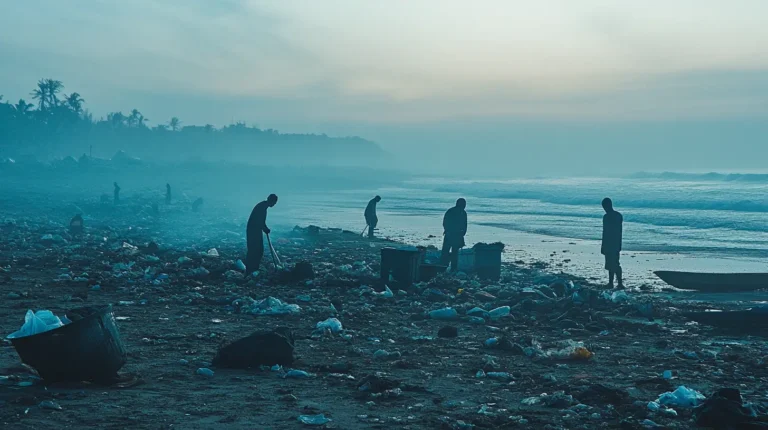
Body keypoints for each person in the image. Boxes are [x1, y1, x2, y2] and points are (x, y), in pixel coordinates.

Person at [245, 194, 278, 273]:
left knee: (256, 250)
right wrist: (265, 229)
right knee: (256, 250)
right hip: (253, 231)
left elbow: (261, 221)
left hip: (255, 230)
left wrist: (265, 228)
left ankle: (252, 268)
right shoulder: (262, 207)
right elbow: (259, 221)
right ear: (272, 201)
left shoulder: (263, 206)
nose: (274, 204)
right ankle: (251, 268)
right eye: (274, 202)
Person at [601, 197, 624, 288]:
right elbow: (619, 231)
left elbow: (605, 232)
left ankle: (615, 283)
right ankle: (617, 283)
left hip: (609, 243)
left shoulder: (606, 217)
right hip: (616, 243)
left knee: (612, 264)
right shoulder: (618, 216)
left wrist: (603, 246)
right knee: (614, 263)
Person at [441, 198, 467, 272]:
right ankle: (446, 267)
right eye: (464, 204)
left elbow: (465, 225)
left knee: (452, 253)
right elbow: (445, 222)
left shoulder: (462, 212)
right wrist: (448, 230)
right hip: (451, 234)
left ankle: (449, 268)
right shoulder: (452, 211)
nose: (464, 206)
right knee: (449, 252)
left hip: (456, 235)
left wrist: (463, 233)